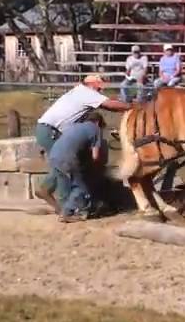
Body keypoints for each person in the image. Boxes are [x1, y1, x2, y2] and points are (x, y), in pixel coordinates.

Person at [33, 75, 132, 211]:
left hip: (48, 129)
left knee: (61, 165)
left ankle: (47, 189)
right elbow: (110, 105)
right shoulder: (87, 93)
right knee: (65, 166)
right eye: (99, 86)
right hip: (51, 131)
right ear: (92, 84)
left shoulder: (80, 92)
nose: (100, 90)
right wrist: (132, 107)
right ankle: (67, 207)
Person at [47, 111, 107, 222]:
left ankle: (72, 209)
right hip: (68, 157)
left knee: (68, 183)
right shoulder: (96, 129)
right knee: (81, 186)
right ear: (98, 122)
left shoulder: (76, 126)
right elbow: (95, 156)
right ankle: (67, 213)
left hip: (54, 154)